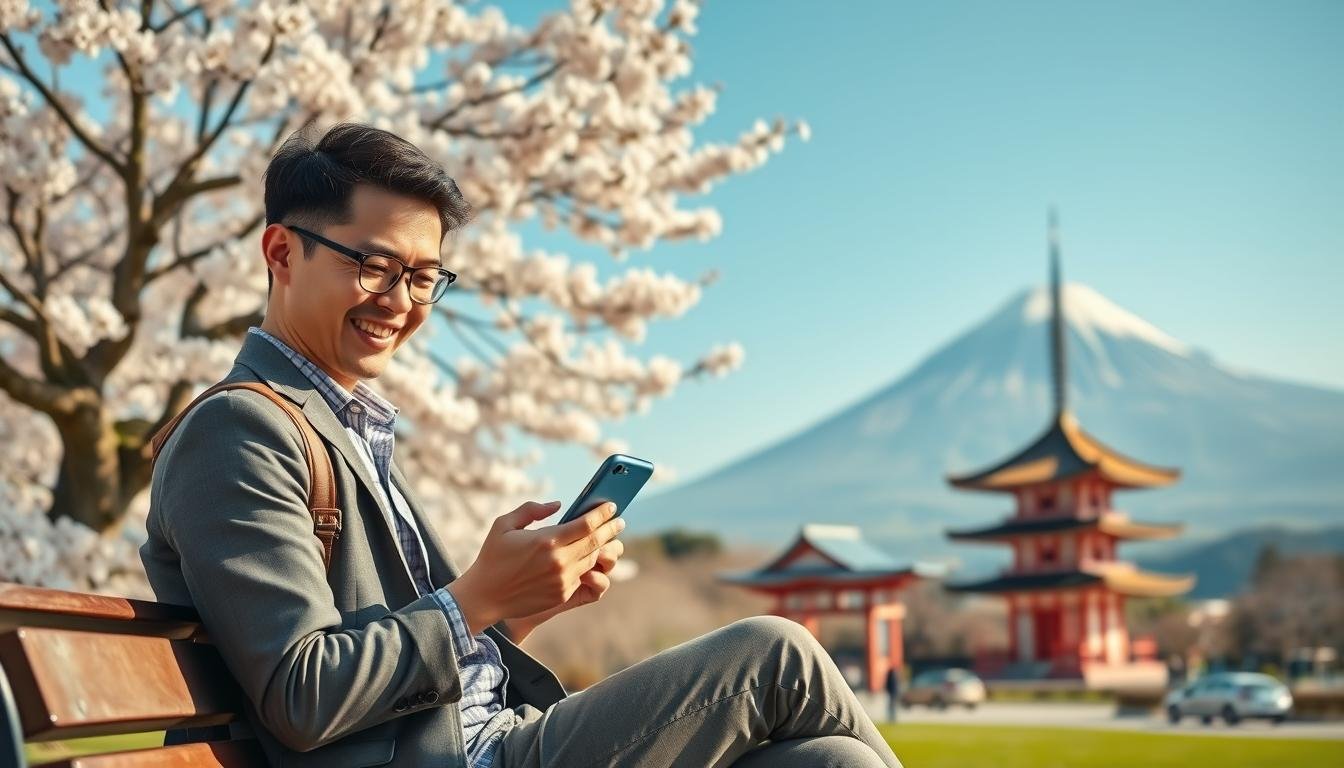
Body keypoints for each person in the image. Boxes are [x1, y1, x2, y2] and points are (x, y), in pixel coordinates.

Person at [141, 122, 903, 768]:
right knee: (777, 653)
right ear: (280, 253)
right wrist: (478, 597)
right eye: (375, 266)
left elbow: (416, 654)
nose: (401, 302)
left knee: (833, 762)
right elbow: (300, 694)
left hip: (486, 740)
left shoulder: (337, 422)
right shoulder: (240, 429)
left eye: (424, 277)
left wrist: (520, 609)